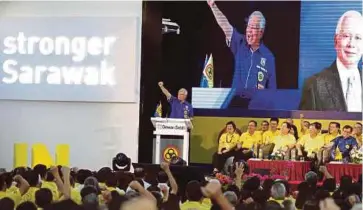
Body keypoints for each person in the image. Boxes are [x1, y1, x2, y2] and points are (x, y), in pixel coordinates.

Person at [207, 0, 276, 107]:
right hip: (235, 102)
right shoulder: (240, 43)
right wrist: (213, 6)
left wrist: (264, 93)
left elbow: (272, 90)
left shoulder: (268, 57)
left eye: (253, 28)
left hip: (256, 106)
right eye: (248, 26)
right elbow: (225, 26)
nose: (249, 31)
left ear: (261, 32)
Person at [299, 11, 363, 112]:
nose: (351, 44)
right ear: (336, 41)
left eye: (358, 38)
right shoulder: (314, 85)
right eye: (346, 36)